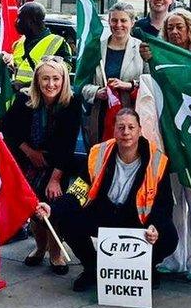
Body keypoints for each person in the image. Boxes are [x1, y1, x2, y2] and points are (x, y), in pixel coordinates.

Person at [38, 108, 177, 292]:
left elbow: (164, 203)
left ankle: (144, 268)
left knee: (169, 236)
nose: (126, 132)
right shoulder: (98, 153)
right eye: (121, 127)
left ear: (140, 130)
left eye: (130, 127)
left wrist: (156, 226)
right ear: (114, 131)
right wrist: (52, 208)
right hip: (104, 213)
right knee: (67, 219)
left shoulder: (158, 160)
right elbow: (78, 192)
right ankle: (93, 268)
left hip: (137, 220)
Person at [0, 57, 82, 276]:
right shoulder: (24, 99)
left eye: (56, 79)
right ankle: (40, 247)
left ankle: (56, 252)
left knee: (52, 202)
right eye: (45, 78)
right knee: (31, 204)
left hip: (56, 164)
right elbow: (6, 126)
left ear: (63, 80)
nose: (50, 84)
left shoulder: (72, 103)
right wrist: (28, 151)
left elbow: (68, 144)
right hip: (28, 160)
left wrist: (55, 178)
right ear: (37, 80)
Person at [147, 8, 191, 281]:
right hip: (171, 140)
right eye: (170, 28)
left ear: (190, 30)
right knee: (174, 202)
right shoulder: (160, 58)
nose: (175, 32)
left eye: (180, 27)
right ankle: (176, 256)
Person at [81, 2, 144, 146]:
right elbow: (82, 84)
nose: (118, 25)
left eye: (123, 20)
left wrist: (129, 85)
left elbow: (150, 83)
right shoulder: (95, 48)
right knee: (101, 156)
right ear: (109, 21)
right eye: (114, 20)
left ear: (132, 22)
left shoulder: (141, 48)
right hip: (100, 115)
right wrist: (96, 91)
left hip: (131, 113)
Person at [0, 2, 72, 92]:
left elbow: (61, 76)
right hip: (19, 99)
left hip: (42, 100)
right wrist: (5, 60)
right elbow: (15, 69)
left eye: (19, 18)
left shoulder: (58, 43)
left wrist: (26, 85)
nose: (16, 22)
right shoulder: (19, 42)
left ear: (31, 21)